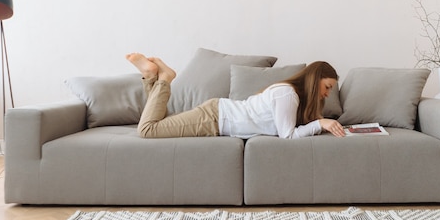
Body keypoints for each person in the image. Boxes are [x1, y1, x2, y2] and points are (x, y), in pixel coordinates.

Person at [126, 53, 347, 139]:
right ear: (314, 78)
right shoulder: (288, 95)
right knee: (148, 129)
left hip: (216, 114)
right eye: (327, 86)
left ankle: (150, 76)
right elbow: (287, 135)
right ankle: (165, 78)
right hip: (214, 118)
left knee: (161, 120)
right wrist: (320, 123)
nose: (327, 94)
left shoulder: (291, 96)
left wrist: (318, 121)